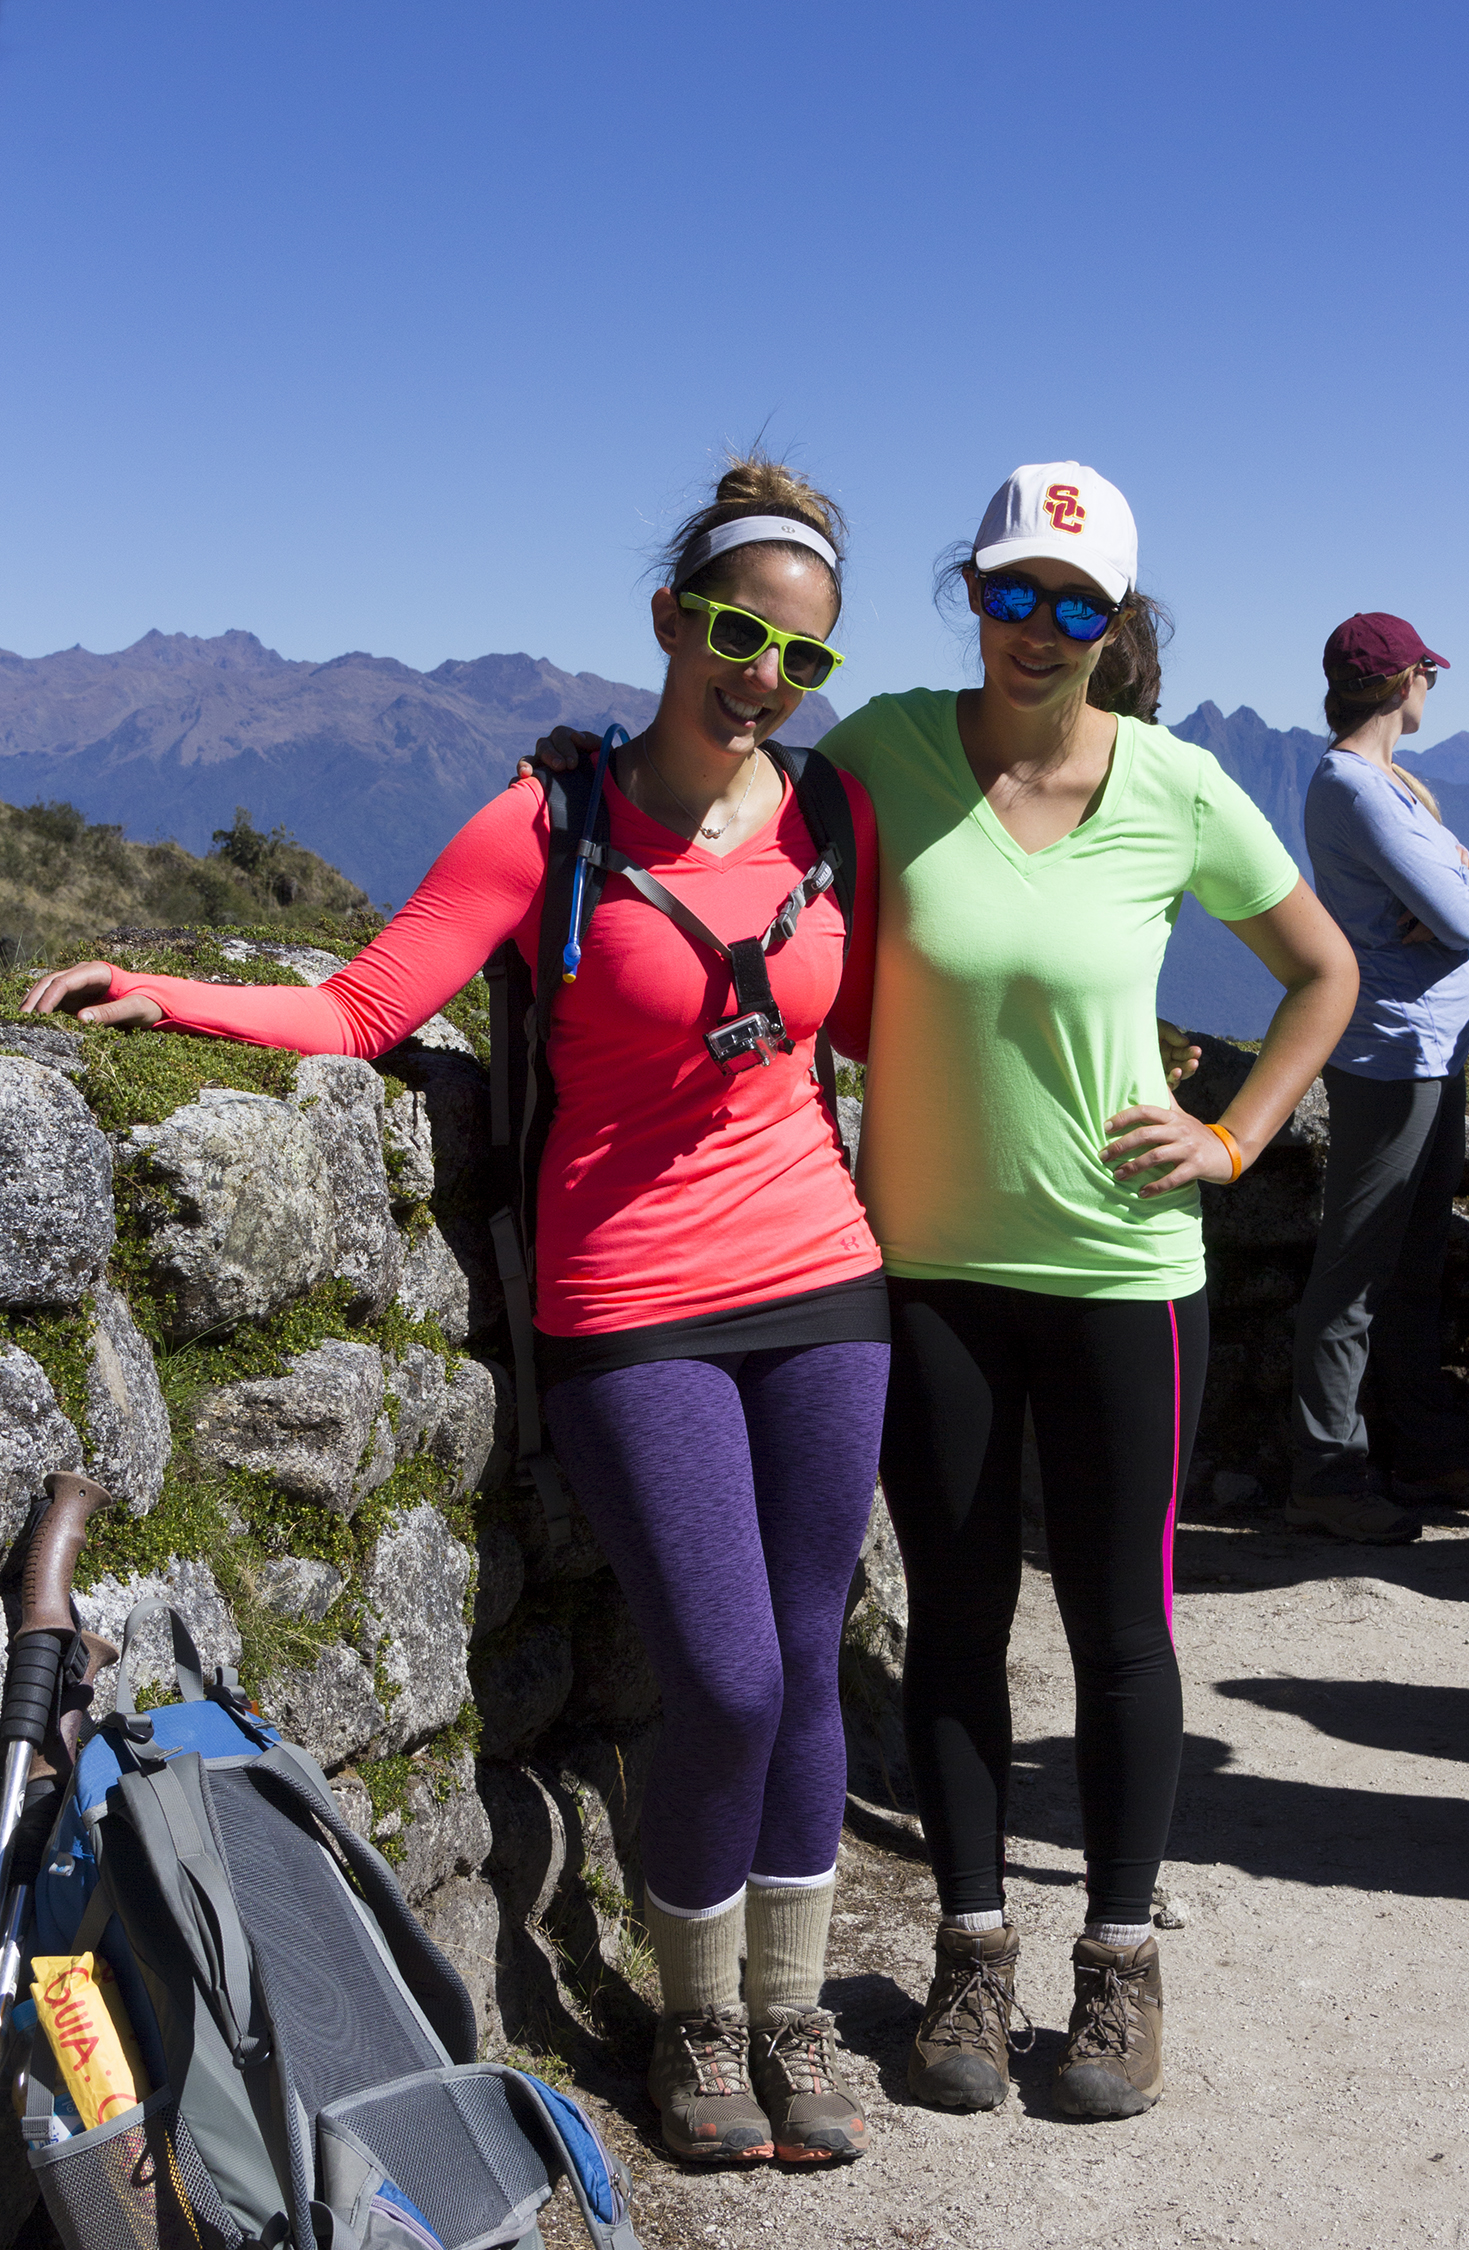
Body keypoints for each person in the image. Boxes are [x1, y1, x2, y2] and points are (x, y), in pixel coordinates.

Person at [23, 456, 890, 2171]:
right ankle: (698, 2012)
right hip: (633, 1299)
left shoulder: (831, 819)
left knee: (806, 1660)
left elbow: (879, 1031)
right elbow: (365, 1006)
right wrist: (159, 991)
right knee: (723, 1675)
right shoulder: (548, 823)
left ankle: (792, 2014)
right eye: (738, 635)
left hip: (824, 1281)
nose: (765, 678)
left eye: (803, 658)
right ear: (671, 619)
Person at [525, 459, 1359, 2124]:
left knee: (1121, 1631)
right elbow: (720, 789)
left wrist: (1233, 1137)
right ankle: (970, 1960)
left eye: (1074, 605)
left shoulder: (1182, 787)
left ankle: (1118, 1965)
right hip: (924, 1272)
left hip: (1125, 1270)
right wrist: (572, 780)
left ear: (1115, 623)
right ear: (971, 594)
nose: (1036, 628)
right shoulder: (883, 755)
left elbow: (1323, 969)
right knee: (960, 1622)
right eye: (1010, 592)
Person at [1288, 615, 1469, 1543]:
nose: (1431, 689)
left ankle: (1420, 1451)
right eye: (1429, 675)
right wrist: (1464, 886)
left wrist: (1466, 886)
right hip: (1391, 1053)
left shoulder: (1392, 783)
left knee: (1413, 1259)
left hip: (1434, 1048)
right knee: (1358, 1264)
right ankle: (1326, 1475)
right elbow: (1464, 915)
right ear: (1403, 680)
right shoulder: (1354, 786)